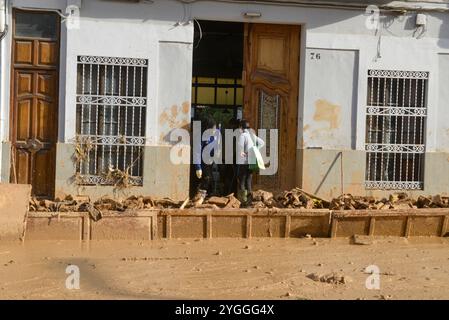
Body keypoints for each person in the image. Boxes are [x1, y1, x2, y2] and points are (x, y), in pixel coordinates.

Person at [237, 119, 265, 206]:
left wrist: (244, 153)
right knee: (248, 181)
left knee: (242, 181)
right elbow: (262, 143)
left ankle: (243, 202)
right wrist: (254, 150)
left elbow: (240, 148)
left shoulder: (243, 135)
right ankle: (249, 202)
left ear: (241, 127)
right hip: (251, 161)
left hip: (244, 162)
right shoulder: (252, 135)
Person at [193, 116, 219, 199]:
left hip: (210, 161)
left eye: (215, 129)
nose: (214, 131)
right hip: (202, 162)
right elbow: (197, 152)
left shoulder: (215, 134)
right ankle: (199, 198)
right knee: (206, 179)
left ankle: (205, 197)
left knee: (210, 179)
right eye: (213, 129)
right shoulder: (200, 136)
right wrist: (198, 167)